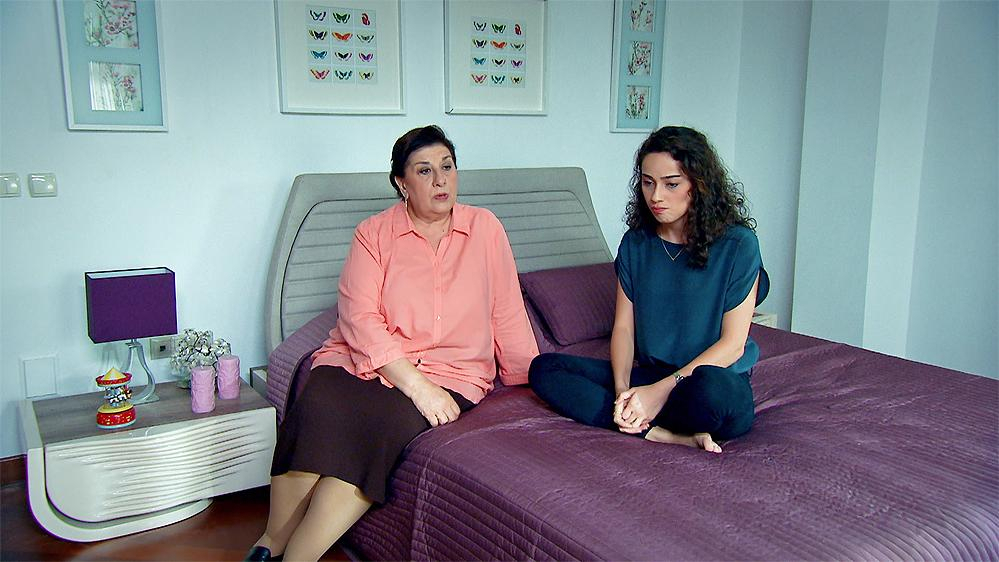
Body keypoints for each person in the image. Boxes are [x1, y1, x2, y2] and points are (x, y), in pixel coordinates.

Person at [246, 125, 539, 561]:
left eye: (447, 167)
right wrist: (416, 386)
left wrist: (530, 378)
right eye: (424, 171)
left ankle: (296, 557)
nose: (440, 180)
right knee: (319, 407)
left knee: (378, 429)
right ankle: (270, 541)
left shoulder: (486, 228)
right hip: (364, 359)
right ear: (402, 183)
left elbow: (507, 308)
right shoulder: (374, 233)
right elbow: (359, 318)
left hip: (450, 372)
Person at [529, 126, 769, 453]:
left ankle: (646, 414)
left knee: (712, 392)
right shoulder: (636, 244)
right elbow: (624, 329)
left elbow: (733, 346)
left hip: (708, 379)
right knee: (545, 369)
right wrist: (622, 392)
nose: (656, 196)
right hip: (652, 374)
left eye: (671, 184)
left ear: (699, 185)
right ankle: (658, 433)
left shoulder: (738, 245)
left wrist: (658, 393)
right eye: (648, 182)